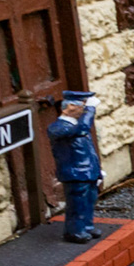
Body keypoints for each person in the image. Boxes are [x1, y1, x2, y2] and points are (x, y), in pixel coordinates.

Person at [47, 90, 102, 243]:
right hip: (74, 173)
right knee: (77, 204)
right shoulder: (58, 128)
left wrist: (96, 170)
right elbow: (81, 130)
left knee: (90, 200)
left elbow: (88, 150)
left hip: (87, 172)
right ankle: (75, 231)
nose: (84, 110)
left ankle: (87, 226)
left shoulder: (78, 126)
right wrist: (90, 110)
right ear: (69, 107)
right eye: (82, 107)